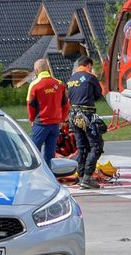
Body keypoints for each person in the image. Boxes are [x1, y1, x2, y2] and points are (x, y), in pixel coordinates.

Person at [66, 55, 104, 189]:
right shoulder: (90, 77)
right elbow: (99, 95)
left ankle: (81, 176)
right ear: (88, 65)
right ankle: (88, 176)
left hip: (74, 116)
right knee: (96, 146)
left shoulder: (70, 79)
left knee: (82, 148)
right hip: (87, 115)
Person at [27, 58, 69, 167]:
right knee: (50, 154)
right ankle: (50, 175)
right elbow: (66, 105)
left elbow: (30, 105)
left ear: (36, 70)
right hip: (55, 125)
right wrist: (62, 119)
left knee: (34, 152)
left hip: (41, 124)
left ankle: (35, 174)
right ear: (48, 68)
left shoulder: (34, 84)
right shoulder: (59, 84)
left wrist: (31, 120)